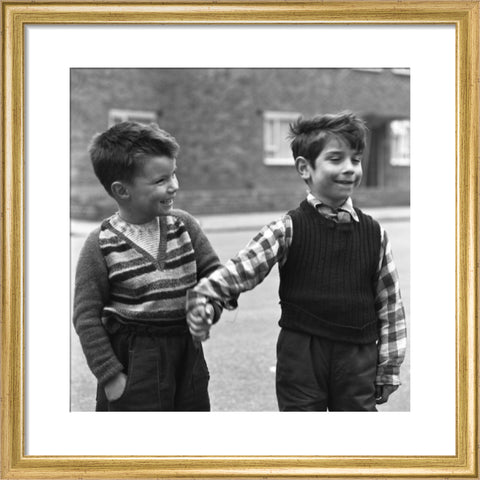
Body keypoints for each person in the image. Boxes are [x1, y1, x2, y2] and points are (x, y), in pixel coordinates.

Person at [186, 111, 407, 411]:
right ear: (305, 168)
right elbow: (244, 267)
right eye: (335, 159)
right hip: (302, 354)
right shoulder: (288, 228)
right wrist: (207, 293)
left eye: (355, 159)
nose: (349, 169)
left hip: (358, 355)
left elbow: (390, 303)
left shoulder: (375, 233)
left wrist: (389, 366)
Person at [73, 121, 221, 411]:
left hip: (187, 355)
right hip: (134, 360)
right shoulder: (100, 244)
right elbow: (86, 316)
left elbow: (215, 276)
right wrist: (111, 376)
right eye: (160, 181)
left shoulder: (185, 226)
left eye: (174, 174)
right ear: (122, 191)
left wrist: (209, 306)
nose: (174, 185)